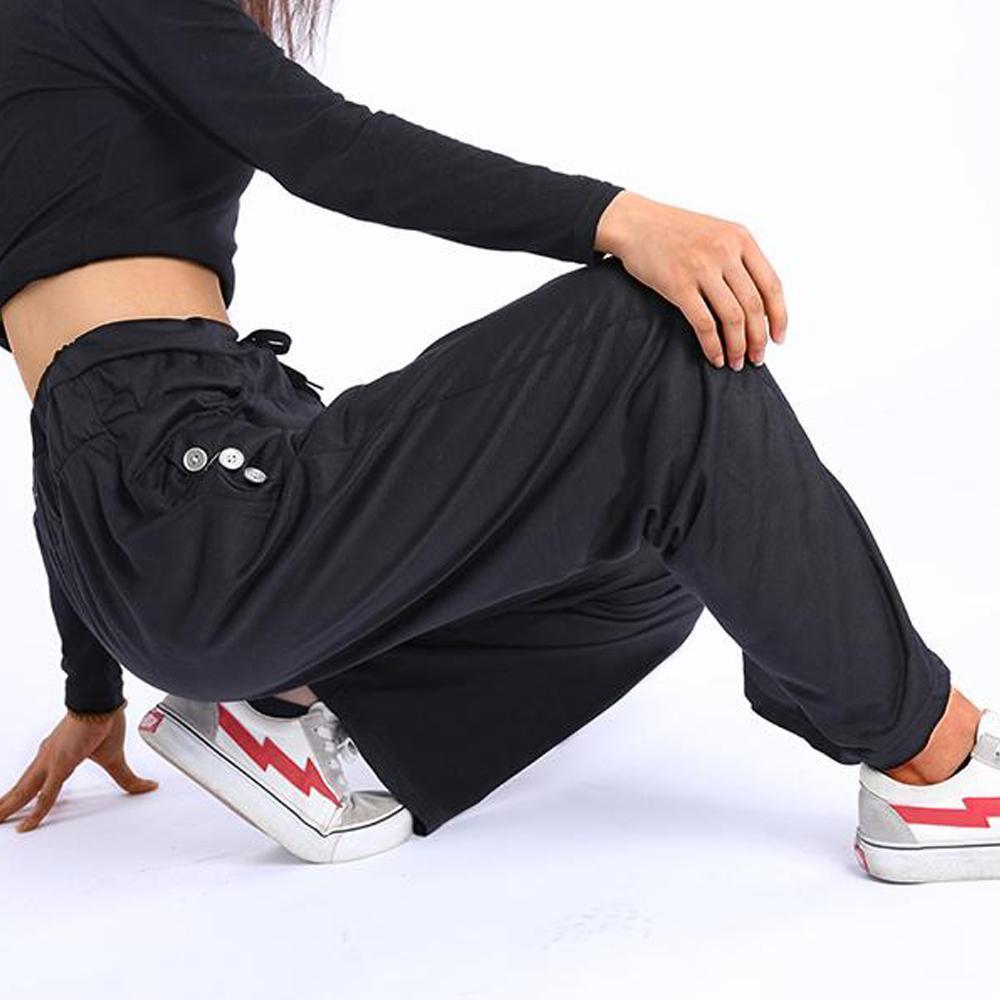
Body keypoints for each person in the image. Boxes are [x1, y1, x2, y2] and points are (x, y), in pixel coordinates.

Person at [0, 0, 994, 882]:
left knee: (651, 550)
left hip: (188, 517)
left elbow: (76, 439)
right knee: (650, 340)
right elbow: (326, 146)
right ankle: (933, 759)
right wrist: (620, 218)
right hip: (203, 503)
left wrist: (94, 688)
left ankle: (310, 725)